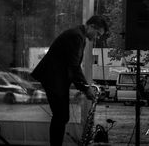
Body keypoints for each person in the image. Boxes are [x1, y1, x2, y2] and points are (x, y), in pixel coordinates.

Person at [31, 15, 108, 146]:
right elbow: (74, 65)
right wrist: (85, 88)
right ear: (91, 26)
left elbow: (71, 65)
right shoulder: (76, 36)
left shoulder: (78, 35)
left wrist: (83, 86)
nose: (97, 37)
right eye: (98, 33)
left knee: (61, 117)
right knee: (61, 117)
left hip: (55, 79)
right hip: (53, 79)